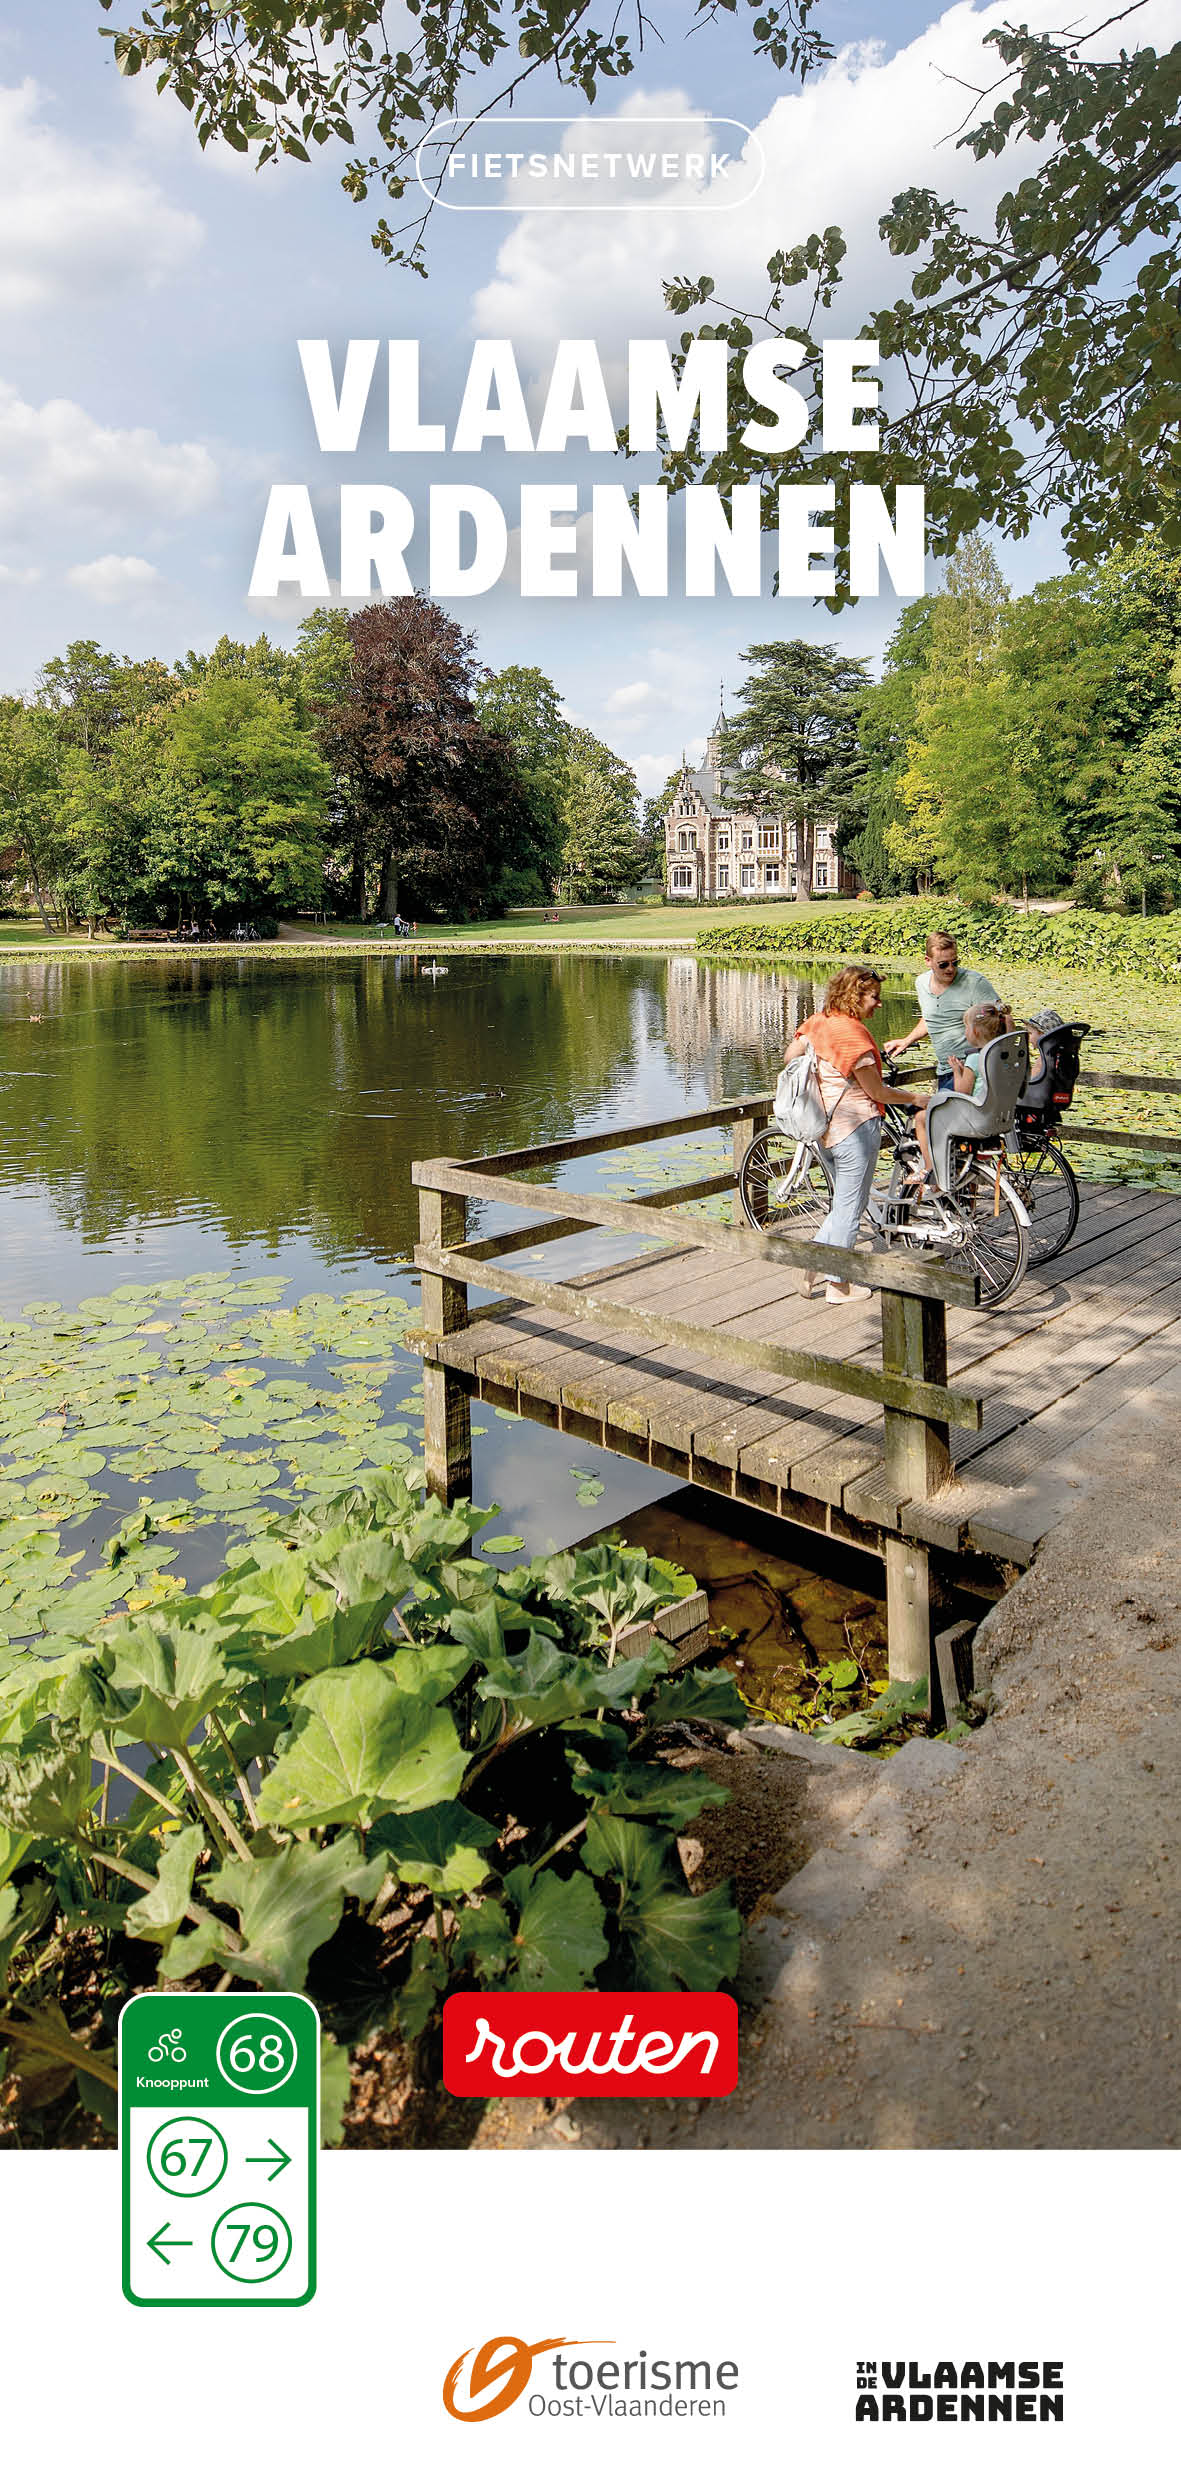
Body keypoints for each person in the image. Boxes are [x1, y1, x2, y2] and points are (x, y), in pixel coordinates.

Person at [785, 964, 920, 1303]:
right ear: (855, 996)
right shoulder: (853, 1036)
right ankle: (838, 1285)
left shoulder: (820, 1022)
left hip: (824, 1131)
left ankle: (814, 1261)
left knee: (844, 1203)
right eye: (874, 997)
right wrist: (918, 1098)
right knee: (849, 1207)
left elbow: (790, 1057)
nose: (879, 1004)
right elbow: (878, 1092)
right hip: (856, 1130)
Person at [884, 930, 1006, 1092]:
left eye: (955, 962)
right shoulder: (921, 983)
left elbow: (1004, 1019)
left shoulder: (975, 983)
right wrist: (907, 1040)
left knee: (932, 1115)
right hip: (946, 1069)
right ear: (928, 961)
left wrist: (1001, 1063)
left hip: (973, 1070)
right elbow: (931, 1018)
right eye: (943, 964)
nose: (950, 969)